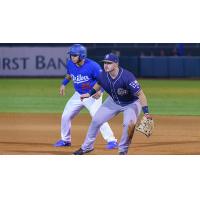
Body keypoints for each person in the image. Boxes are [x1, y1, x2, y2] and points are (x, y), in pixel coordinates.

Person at [73, 53, 152, 155]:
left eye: (109, 63)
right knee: (96, 120)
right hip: (113, 101)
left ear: (116, 64)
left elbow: (141, 94)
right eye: (105, 63)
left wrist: (146, 113)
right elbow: (99, 84)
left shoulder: (127, 77)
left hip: (131, 103)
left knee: (128, 125)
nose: (106, 65)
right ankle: (87, 147)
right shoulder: (103, 75)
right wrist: (89, 93)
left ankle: (123, 150)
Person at [54, 44, 117, 149]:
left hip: (92, 95)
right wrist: (63, 84)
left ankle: (112, 140)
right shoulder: (70, 63)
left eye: (74, 55)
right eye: (71, 55)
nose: (72, 57)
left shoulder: (93, 66)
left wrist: (100, 91)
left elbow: (104, 80)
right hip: (78, 94)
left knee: (97, 117)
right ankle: (65, 140)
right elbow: (69, 74)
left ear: (82, 56)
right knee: (66, 116)